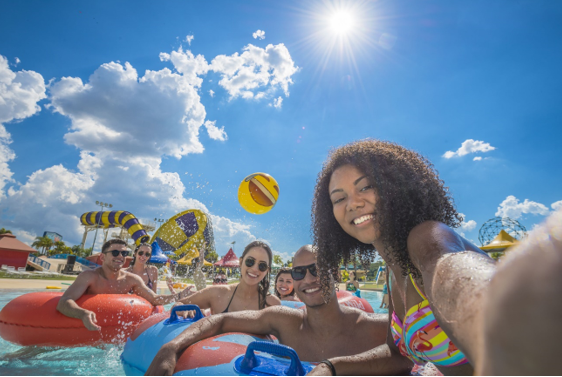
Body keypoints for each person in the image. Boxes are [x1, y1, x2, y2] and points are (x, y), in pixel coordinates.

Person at [309, 139, 496, 375]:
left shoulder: (426, 238)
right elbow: (397, 357)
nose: (353, 203)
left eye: (366, 187)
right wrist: (331, 366)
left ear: (396, 186)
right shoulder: (391, 274)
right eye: (339, 199)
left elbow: (494, 304)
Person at [145, 245, 391, 376]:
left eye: (317, 269)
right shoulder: (285, 320)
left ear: (335, 273)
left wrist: (332, 367)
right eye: (298, 272)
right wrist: (172, 347)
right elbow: (219, 322)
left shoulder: (374, 328)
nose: (308, 278)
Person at [57, 239, 193, 331]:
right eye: (115, 252)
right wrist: (82, 313)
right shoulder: (89, 277)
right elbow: (64, 301)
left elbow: (155, 299)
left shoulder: (131, 279)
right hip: (87, 328)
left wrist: (181, 295)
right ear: (103, 257)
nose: (120, 256)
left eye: (124, 253)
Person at [176, 240, 281, 314]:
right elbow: (179, 304)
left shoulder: (272, 304)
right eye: (250, 261)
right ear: (240, 262)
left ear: (267, 270)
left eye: (262, 266)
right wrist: (186, 310)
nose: (254, 268)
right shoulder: (218, 293)